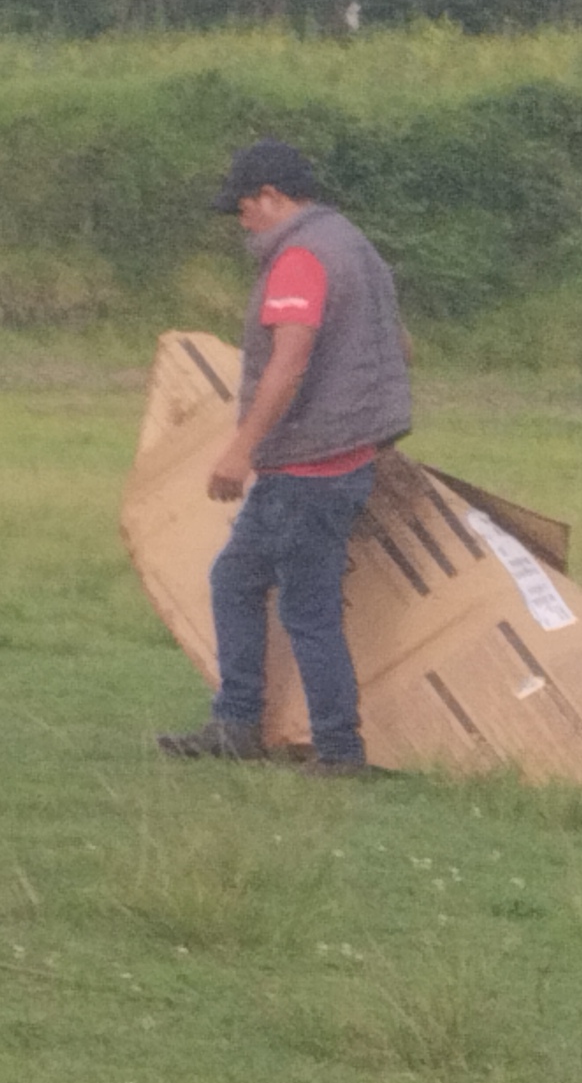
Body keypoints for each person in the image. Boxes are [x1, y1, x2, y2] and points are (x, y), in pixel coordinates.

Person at [159, 140, 413, 775]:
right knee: (237, 580)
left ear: (271, 196)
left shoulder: (299, 258)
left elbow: (289, 361)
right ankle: (238, 723)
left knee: (308, 610)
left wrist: (240, 450)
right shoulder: (352, 243)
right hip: (344, 456)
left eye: (244, 208)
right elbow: (401, 344)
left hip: (307, 468)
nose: (241, 222)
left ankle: (338, 750)